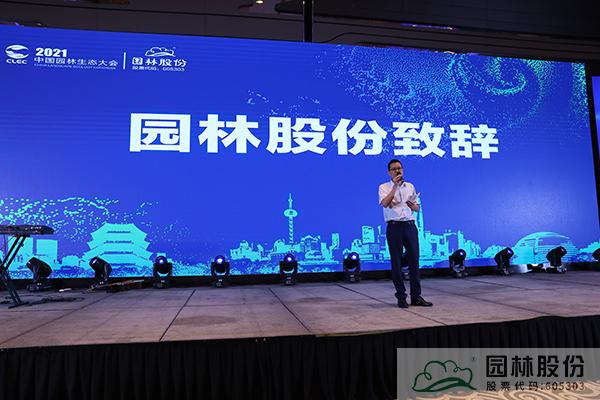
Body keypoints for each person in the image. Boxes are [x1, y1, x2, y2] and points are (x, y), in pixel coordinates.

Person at [378, 159, 433, 308]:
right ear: (389, 172)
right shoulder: (384, 187)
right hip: (394, 227)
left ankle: (416, 297)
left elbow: (417, 208)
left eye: (400, 168)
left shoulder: (410, 186)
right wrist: (395, 187)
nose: (398, 171)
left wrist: (413, 206)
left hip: (409, 226)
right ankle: (401, 297)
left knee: (414, 261)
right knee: (396, 262)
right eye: (394, 169)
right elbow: (385, 203)